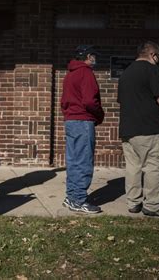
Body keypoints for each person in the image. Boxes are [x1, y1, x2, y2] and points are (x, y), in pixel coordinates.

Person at [118, 41, 159, 218]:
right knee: (155, 166)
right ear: (153, 55)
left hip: (128, 130)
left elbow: (122, 102)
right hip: (150, 128)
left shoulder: (125, 74)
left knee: (133, 167)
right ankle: (152, 205)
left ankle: (133, 203)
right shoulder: (153, 70)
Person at [61, 45, 104, 214]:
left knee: (73, 161)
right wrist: (99, 115)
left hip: (71, 120)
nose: (95, 59)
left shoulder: (70, 74)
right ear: (87, 56)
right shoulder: (86, 73)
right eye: (93, 56)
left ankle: (71, 197)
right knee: (83, 162)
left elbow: (64, 101)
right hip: (83, 121)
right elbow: (89, 101)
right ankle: (78, 200)